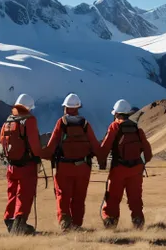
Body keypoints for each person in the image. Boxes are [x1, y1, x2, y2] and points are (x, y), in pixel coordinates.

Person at [43, 93, 104, 231]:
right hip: (83, 167)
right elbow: (95, 145)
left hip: (63, 167)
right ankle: (77, 224)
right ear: (78, 108)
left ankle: (65, 221)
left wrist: (40, 155)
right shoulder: (85, 124)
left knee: (62, 194)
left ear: (65, 108)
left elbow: (51, 146)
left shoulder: (61, 123)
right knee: (79, 196)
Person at [100, 99, 153, 229]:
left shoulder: (114, 127)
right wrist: (141, 165)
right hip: (136, 169)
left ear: (116, 113)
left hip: (119, 168)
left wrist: (101, 162)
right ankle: (138, 224)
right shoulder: (137, 129)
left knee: (113, 198)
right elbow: (148, 154)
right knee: (135, 199)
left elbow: (105, 148)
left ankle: (110, 224)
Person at [0, 93, 46, 235]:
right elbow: (35, 145)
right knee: (25, 194)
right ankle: (20, 223)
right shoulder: (29, 121)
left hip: (11, 165)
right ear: (29, 107)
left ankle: (9, 220)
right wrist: (40, 156)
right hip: (27, 165)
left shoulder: (8, 121)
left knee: (12, 193)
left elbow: (2, 142)